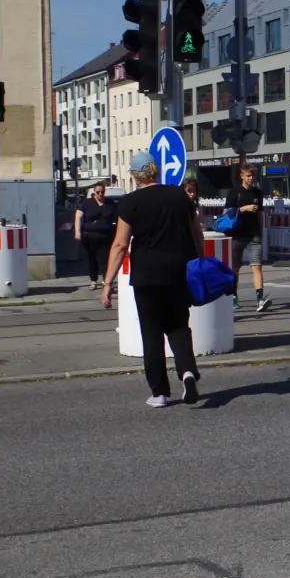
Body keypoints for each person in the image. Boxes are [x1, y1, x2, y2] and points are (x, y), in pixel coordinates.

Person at [101, 153, 204, 408]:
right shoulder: (180, 196)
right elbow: (197, 233)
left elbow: (120, 244)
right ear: (156, 172)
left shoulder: (130, 202)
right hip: (179, 271)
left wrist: (107, 283)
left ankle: (159, 393)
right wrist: (199, 262)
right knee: (179, 326)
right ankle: (188, 373)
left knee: (151, 333)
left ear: (135, 177)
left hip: (146, 275)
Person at [227, 164, 272, 311]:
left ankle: (260, 300)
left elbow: (260, 213)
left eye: (252, 176)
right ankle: (233, 296)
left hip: (254, 234)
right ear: (241, 176)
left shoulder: (257, 193)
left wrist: (261, 231)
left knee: (257, 266)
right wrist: (243, 209)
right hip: (237, 234)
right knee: (235, 267)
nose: (250, 178)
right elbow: (227, 213)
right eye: (248, 176)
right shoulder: (234, 193)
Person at [74, 181, 118, 291]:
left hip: (105, 236)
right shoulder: (86, 203)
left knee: (105, 259)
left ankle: (106, 282)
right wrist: (77, 232)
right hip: (89, 236)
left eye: (102, 192)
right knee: (91, 258)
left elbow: (117, 218)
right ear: (94, 192)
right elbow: (78, 217)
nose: (100, 194)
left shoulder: (110, 204)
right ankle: (93, 281)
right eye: (98, 192)